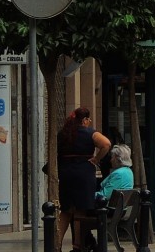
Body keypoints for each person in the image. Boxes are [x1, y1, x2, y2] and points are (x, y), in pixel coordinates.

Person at [56, 107, 111, 252]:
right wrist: (96, 158)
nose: (89, 122)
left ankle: (57, 244)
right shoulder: (90, 133)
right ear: (85, 120)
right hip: (84, 174)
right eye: (88, 119)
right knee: (80, 211)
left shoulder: (63, 134)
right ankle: (77, 246)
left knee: (66, 210)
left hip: (66, 173)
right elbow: (106, 144)